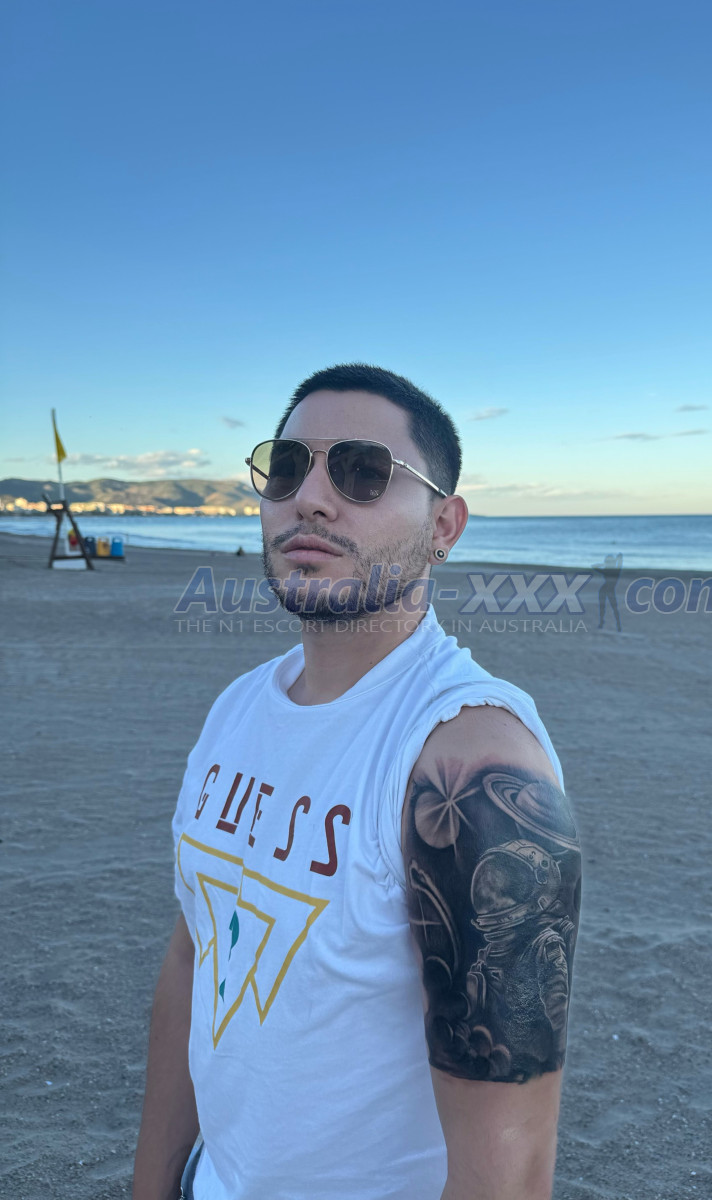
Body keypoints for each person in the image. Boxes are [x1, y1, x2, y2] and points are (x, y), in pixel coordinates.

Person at [133, 364, 582, 1200]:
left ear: (444, 525)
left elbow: (511, 1159)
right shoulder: (238, 709)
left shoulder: (470, 763)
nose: (310, 498)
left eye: (363, 471)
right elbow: (196, 955)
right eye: (286, 467)